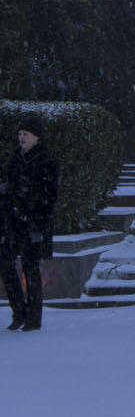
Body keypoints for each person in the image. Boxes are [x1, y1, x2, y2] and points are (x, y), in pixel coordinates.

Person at [1, 114, 59, 331]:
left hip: (34, 223)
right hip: (12, 222)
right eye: (20, 134)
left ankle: (33, 317)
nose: (22, 138)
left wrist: (30, 202)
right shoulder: (13, 159)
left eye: (26, 134)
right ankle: (19, 311)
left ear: (37, 137)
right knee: (5, 263)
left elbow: (50, 195)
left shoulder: (46, 160)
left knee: (30, 267)